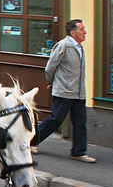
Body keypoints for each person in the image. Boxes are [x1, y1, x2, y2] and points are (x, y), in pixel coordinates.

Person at [32, 19, 96, 163]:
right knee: (56, 119)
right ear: (73, 33)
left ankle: (79, 152)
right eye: (82, 30)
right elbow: (50, 68)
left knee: (80, 122)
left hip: (79, 93)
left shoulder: (79, 47)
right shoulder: (63, 46)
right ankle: (32, 141)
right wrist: (52, 82)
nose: (85, 32)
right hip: (64, 91)